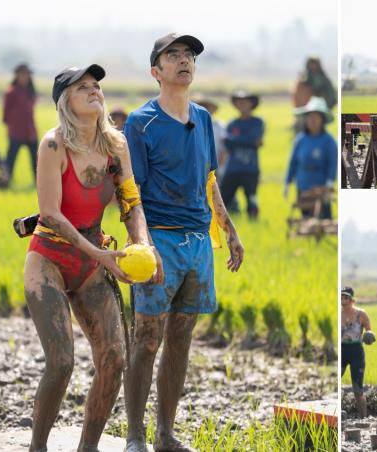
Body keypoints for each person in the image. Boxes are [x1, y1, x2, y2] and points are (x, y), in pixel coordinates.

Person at [23, 64, 158, 452]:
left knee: (114, 357)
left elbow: (131, 203)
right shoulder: (53, 145)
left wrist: (142, 246)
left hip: (90, 261)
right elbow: (50, 213)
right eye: (83, 87)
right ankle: (38, 447)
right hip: (49, 257)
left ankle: (88, 448)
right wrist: (99, 253)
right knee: (62, 362)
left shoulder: (115, 146)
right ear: (66, 100)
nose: (94, 91)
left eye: (96, 85)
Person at [122, 33, 244, 452]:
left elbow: (210, 180)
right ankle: (135, 435)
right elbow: (130, 193)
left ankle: (165, 434)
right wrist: (142, 245)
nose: (184, 61)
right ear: (156, 71)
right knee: (146, 338)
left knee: (181, 338)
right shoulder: (141, 123)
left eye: (189, 55)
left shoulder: (204, 119)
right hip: (160, 240)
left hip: (198, 244)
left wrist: (228, 229)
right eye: (172, 55)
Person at [284, 96, 337, 219]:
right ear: (306, 120)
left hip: (321, 187)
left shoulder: (329, 141)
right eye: (310, 117)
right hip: (303, 185)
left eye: (316, 117)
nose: (313, 120)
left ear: (322, 120)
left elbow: (333, 163)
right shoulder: (300, 140)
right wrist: (287, 182)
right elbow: (293, 162)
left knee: (324, 218)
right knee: (306, 219)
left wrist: (330, 181)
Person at [221, 90, 264, 219]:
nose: (243, 105)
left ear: (252, 104)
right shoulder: (232, 123)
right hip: (232, 169)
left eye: (246, 102)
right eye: (240, 102)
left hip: (250, 169)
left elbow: (255, 140)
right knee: (223, 200)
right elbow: (227, 143)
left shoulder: (258, 122)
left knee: (252, 199)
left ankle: (254, 223)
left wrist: (235, 140)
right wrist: (248, 140)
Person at [341, 286, 375, 418]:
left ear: (352, 299)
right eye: (341, 297)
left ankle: (363, 418)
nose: (343, 300)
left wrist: (370, 335)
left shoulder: (361, 314)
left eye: (346, 297)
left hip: (356, 352)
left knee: (357, 389)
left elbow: (369, 331)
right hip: (343, 351)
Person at [2, 63, 38, 184]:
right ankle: (6, 181)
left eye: (26, 75)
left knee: (36, 160)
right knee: (10, 160)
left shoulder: (31, 92)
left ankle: (38, 182)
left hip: (30, 131)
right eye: (22, 74)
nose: (24, 77)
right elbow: (5, 114)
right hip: (16, 132)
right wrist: (12, 127)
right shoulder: (11, 92)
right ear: (17, 76)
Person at [194, 96, 228, 182]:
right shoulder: (191, 126)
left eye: (207, 108)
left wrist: (219, 164)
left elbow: (224, 147)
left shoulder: (219, 125)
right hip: (196, 166)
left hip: (216, 166)